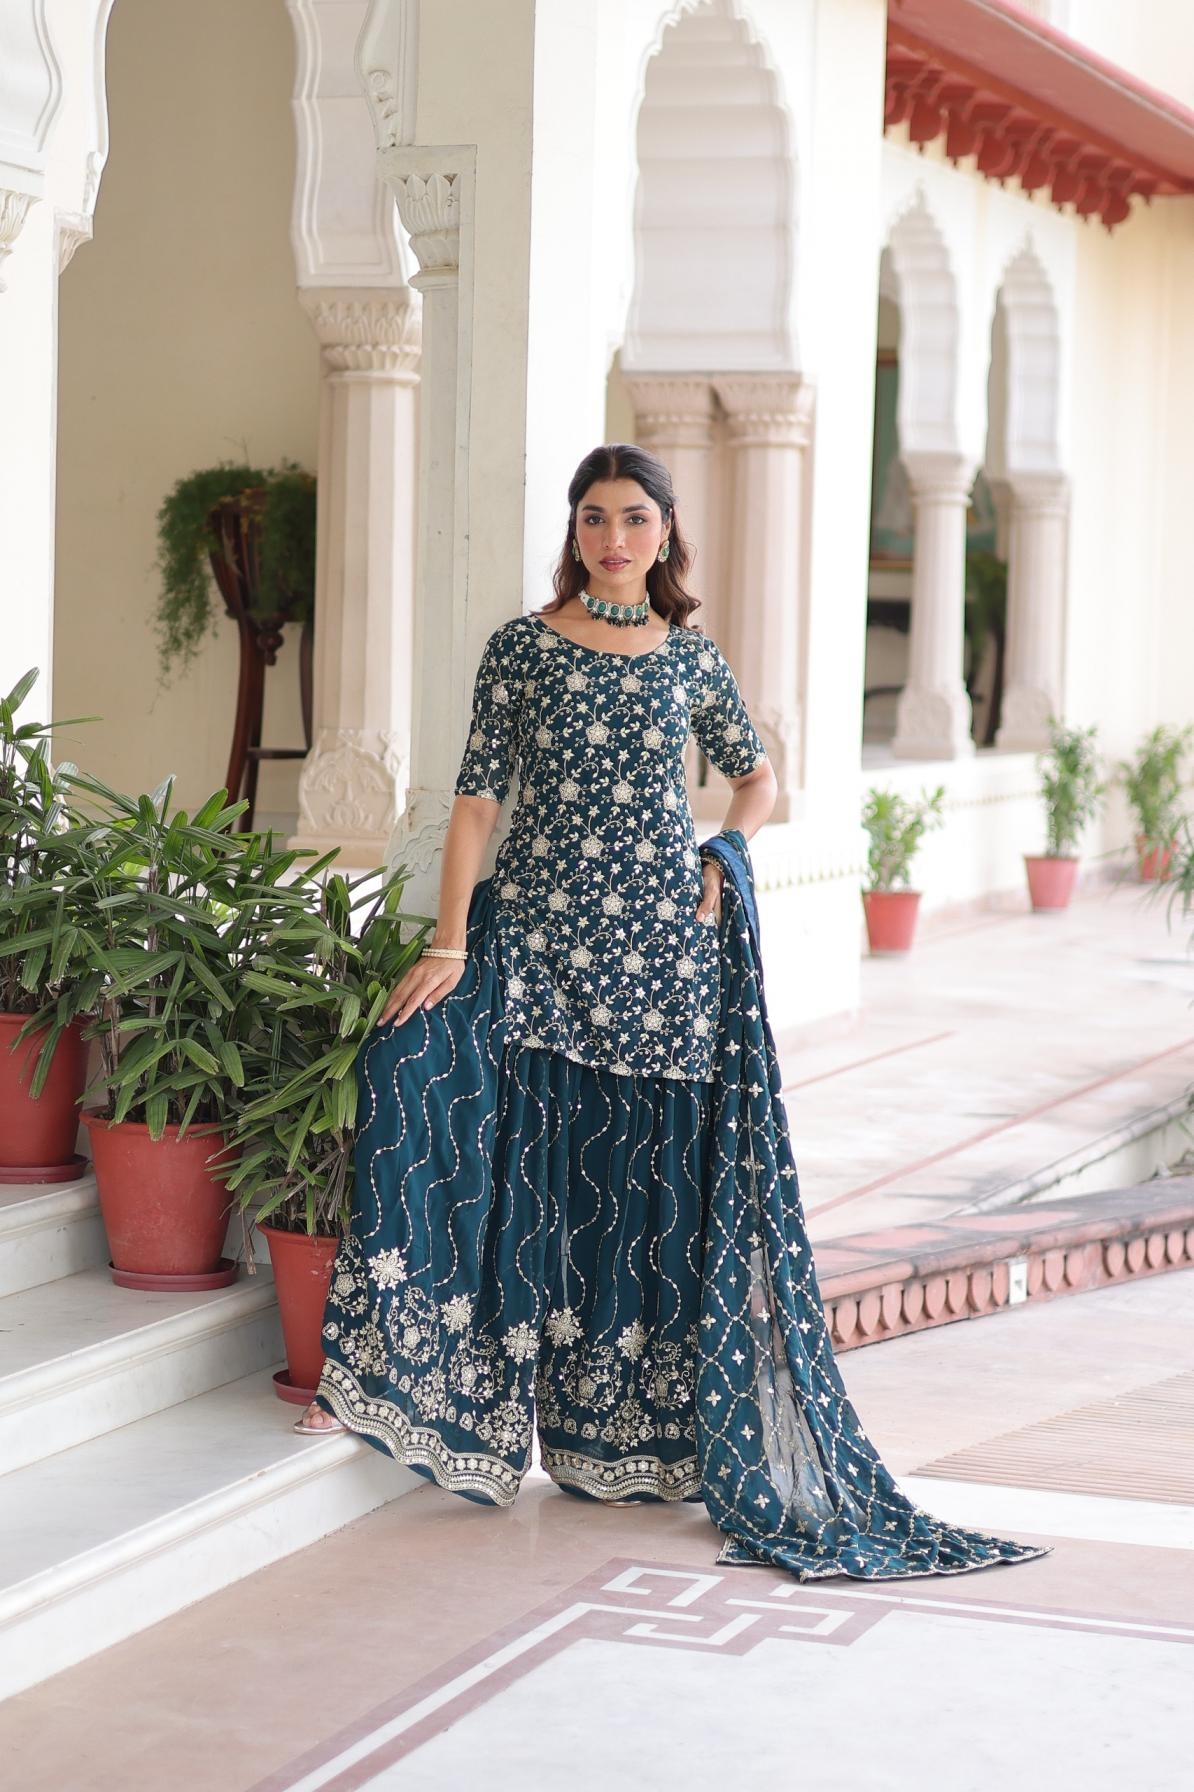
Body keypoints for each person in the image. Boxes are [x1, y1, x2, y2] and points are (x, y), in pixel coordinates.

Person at [294, 443, 1051, 1581]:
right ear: (575, 530)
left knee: (637, 1181)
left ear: (665, 532)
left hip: (660, 959)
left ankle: (628, 1436)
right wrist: (449, 941)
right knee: (414, 1075)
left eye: (635, 519)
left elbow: (759, 777)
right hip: (537, 940)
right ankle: (391, 1378)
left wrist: (724, 851)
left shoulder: (691, 658)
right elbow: (476, 801)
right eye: (596, 517)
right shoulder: (523, 647)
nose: (614, 538)